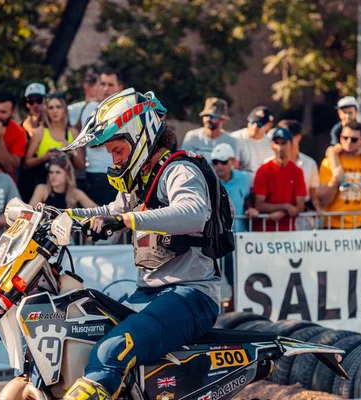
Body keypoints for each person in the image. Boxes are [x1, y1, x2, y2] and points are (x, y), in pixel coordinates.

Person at [56, 88, 220, 400]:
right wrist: (57, 216)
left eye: (118, 150)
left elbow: (194, 213)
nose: (115, 160)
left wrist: (127, 220)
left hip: (191, 294)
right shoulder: (143, 179)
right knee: (88, 339)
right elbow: (107, 212)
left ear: (139, 136)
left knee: (111, 351)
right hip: (149, 293)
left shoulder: (178, 169)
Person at [319, 121, 361, 229]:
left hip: (359, 224)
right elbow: (324, 200)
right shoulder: (329, 163)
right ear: (340, 137)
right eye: (345, 138)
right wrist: (335, 180)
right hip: (334, 225)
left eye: (354, 139)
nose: (348, 142)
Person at [21, 94, 84, 201]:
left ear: (64, 110)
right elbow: (26, 163)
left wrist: (73, 151)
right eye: (51, 108)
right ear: (46, 111)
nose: (55, 111)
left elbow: (80, 166)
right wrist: (44, 157)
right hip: (43, 186)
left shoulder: (72, 133)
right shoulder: (40, 132)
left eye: (58, 107)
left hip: (66, 188)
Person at [252, 127, 306, 231]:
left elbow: (300, 206)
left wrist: (283, 212)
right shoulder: (264, 170)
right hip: (263, 231)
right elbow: (259, 204)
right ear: (272, 145)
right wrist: (285, 206)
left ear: (291, 144)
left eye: (284, 143)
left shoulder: (297, 172)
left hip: (288, 232)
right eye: (277, 143)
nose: (280, 147)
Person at [84, 69, 125, 206]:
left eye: (110, 85)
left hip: (121, 173)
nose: (106, 88)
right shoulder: (93, 108)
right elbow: (93, 141)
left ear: (120, 88)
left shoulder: (125, 110)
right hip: (98, 175)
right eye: (103, 84)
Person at [182, 97, 248, 168]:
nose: (208, 119)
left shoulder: (231, 141)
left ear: (223, 119)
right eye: (206, 115)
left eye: (213, 116)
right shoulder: (192, 137)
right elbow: (184, 163)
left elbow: (233, 168)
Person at [275, 120, 322, 213]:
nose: (285, 140)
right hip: (276, 218)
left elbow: (313, 196)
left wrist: (316, 209)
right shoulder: (268, 164)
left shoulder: (310, 163)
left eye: (289, 136)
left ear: (298, 137)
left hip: (302, 216)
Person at [210, 143, 255, 233]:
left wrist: (251, 208)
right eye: (215, 162)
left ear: (232, 161)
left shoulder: (244, 178)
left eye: (223, 162)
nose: (219, 166)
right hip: (216, 238)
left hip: (239, 236)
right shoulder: (208, 180)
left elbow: (248, 197)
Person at [29, 154, 96, 209]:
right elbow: (30, 210)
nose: (53, 176)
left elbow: (96, 209)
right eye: (51, 172)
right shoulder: (42, 189)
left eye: (58, 172)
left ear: (67, 174)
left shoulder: (75, 193)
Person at [231, 106, 275, 174]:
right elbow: (232, 170)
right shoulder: (235, 138)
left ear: (269, 126)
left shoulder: (271, 144)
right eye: (252, 122)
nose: (254, 127)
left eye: (260, 124)